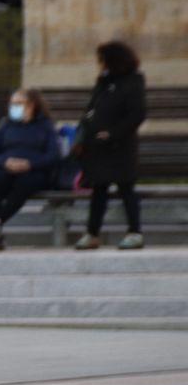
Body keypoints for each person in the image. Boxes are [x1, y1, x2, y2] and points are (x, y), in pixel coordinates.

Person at [74, 41, 147, 251]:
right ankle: (92, 233)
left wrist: (113, 134)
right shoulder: (104, 82)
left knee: (126, 189)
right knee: (98, 191)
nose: (101, 64)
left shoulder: (133, 82)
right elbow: (92, 108)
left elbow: (137, 114)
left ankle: (135, 231)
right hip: (97, 147)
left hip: (119, 148)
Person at [0, 88, 62, 251]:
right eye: (12, 104)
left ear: (31, 105)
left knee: (26, 184)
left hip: (34, 171)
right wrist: (5, 162)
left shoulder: (45, 126)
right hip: (7, 168)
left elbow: (54, 155)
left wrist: (29, 164)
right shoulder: (6, 125)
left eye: (18, 103)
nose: (14, 107)